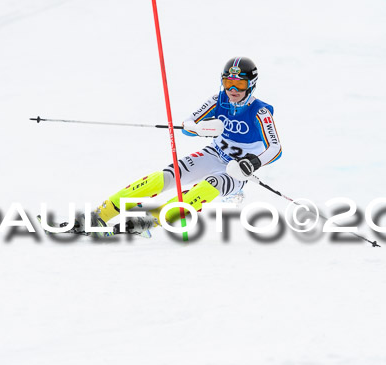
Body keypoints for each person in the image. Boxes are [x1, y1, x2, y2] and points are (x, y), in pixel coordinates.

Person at [77, 57, 282, 236]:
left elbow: (275, 149)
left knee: (206, 186)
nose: (233, 90)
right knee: (162, 178)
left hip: (237, 170)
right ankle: (99, 216)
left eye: (240, 84)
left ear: (251, 84)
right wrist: (199, 129)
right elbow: (188, 124)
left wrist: (253, 163)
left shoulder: (260, 111)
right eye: (228, 83)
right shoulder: (217, 100)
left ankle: (149, 221)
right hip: (212, 154)